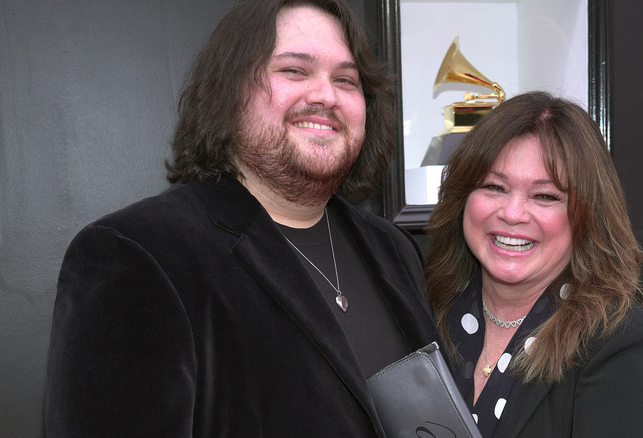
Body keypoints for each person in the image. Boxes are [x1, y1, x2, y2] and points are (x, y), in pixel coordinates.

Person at [45, 0, 439, 436]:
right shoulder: (135, 254)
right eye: (293, 70)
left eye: (345, 80)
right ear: (229, 91)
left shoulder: (394, 249)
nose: (326, 95)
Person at [425, 91, 643, 437]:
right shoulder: (421, 313)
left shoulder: (627, 351)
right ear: (462, 199)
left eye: (545, 196)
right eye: (494, 186)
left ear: (587, 215)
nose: (512, 213)